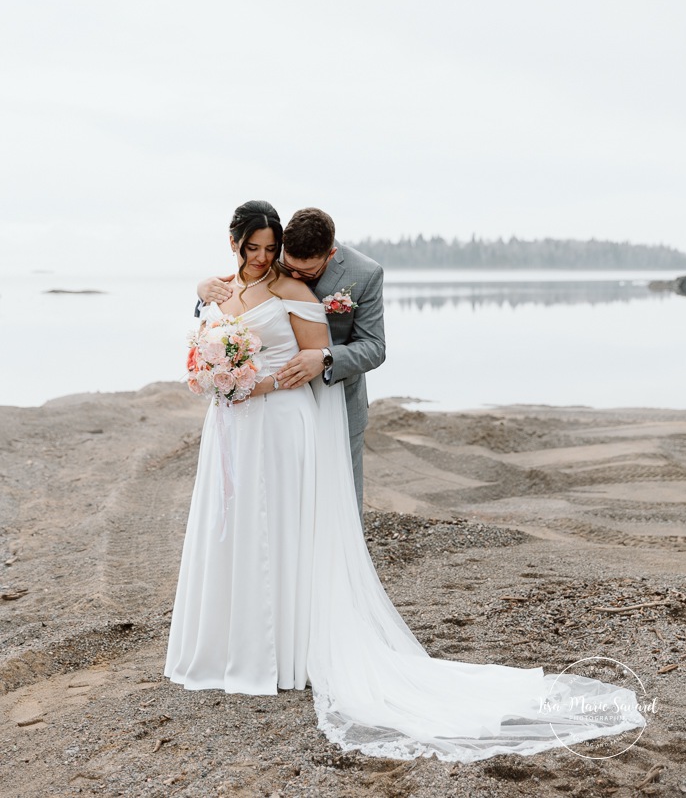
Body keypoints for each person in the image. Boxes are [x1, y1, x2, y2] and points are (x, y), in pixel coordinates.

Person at [166, 199, 644, 763]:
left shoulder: (355, 277)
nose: (277, 264)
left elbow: (368, 347)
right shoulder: (244, 275)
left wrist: (303, 368)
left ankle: (297, 643)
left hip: (313, 409)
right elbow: (220, 314)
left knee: (315, 526)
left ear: (328, 255)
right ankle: (236, 639)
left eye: (286, 258)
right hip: (238, 425)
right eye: (265, 253)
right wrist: (211, 340)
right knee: (241, 525)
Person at [195, 207, 385, 516]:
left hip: (338, 395)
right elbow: (240, 299)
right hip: (278, 403)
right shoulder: (271, 253)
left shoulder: (365, 273)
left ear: (330, 254)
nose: (295, 278)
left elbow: (374, 347)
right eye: (289, 267)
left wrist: (325, 357)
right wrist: (202, 292)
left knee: (340, 504)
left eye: (306, 274)